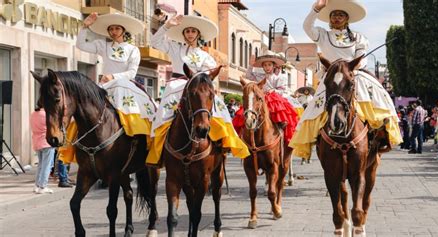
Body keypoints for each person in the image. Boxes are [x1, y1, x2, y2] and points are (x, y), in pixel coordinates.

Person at [289, 0, 402, 159]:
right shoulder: (322, 34)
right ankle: (316, 139)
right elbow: (307, 27)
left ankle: (381, 135)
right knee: (312, 110)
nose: (336, 17)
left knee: (380, 97)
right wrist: (315, 9)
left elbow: (361, 59)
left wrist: (351, 68)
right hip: (331, 77)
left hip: (353, 74)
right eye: (333, 14)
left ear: (347, 18)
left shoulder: (358, 37)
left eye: (340, 15)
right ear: (329, 18)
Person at [146, 14, 249, 166]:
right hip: (177, 86)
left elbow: (209, 77)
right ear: (183, 33)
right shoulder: (174, 47)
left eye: (193, 31)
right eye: (187, 31)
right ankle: (159, 152)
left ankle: (221, 145)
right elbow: (155, 41)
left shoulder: (205, 56)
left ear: (198, 34)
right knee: (162, 115)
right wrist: (167, 25)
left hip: (199, 89)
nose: (190, 34)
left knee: (220, 112)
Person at [59, 12, 155, 164]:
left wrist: (113, 76)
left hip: (123, 84)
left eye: (117, 28)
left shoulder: (132, 49)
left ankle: (136, 138)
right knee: (86, 110)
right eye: (111, 29)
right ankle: (76, 142)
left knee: (138, 108)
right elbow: (80, 45)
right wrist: (85, 26)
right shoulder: (103, 45)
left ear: (124, 31)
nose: (114, 31)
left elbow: (132, 73)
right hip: (104, 86)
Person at [233, 51, 300, 144]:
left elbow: (282, 90)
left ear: (273, 66)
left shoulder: (279, 77)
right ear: (262, 67)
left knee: (282, 112)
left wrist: (273, 91)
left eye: (269, 65)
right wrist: (251, 66)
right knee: (243, 113)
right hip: (260, 98)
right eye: (265, 65)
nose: (267, 67)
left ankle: (280, 129)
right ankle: (244, 136)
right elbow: (248, 76)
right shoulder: (259, 76)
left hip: (273, 98)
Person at [30, 100, 55, 194]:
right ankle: (43, 186)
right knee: (47, 165)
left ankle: (37, 185)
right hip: (47, 142)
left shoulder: (33, 114)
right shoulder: (47, 115)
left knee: (40, 165)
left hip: (37, 142)